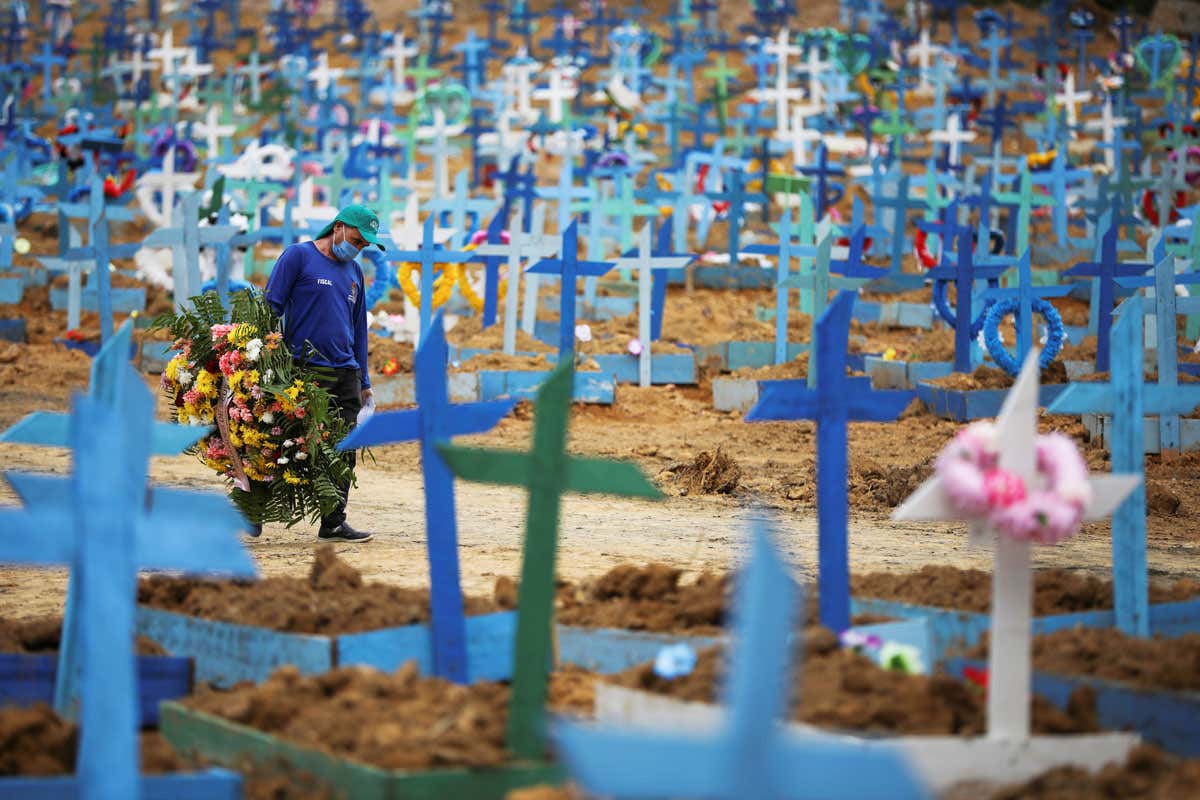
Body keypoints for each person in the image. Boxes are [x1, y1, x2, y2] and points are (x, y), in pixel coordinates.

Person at [255, 203, 385, 542]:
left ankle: (333, 522)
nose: (357, 249)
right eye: (356, 240)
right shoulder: (297, 257)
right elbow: (271, 309)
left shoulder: (354, 273)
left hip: (345, 373)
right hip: (303, 369)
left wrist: (364, 382)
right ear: (338, 228)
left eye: (363, 246)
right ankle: (251, 510)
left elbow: (359, 330)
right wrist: (267, 363)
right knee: (282, 443)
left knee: (344, 449)